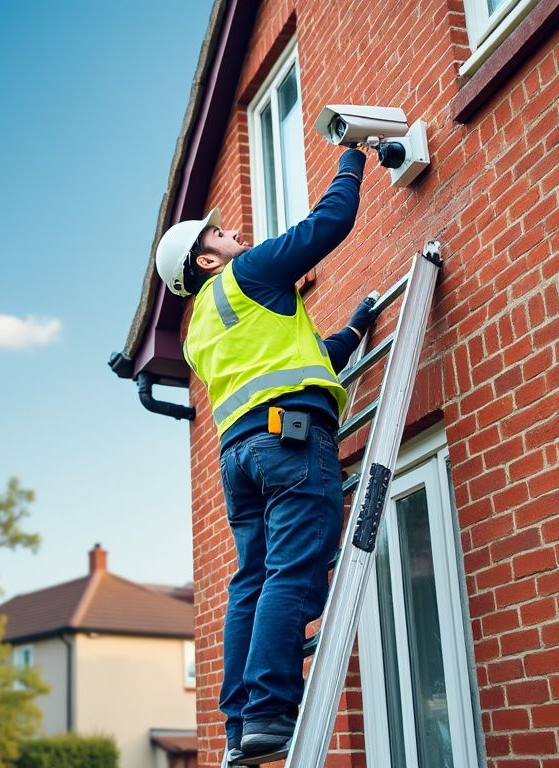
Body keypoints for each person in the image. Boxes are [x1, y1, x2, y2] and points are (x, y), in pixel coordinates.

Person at [154, 147, 378, 762]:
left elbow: (288, 364)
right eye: (221, 233)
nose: (235, 233)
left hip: (241, 457)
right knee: (291, 571)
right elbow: (327, 226)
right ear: (206, 258)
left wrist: (352, 331)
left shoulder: (202, 325)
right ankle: (271, 712)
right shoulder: (247, 274)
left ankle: (238, 728)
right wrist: (351, 160)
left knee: (250, 581)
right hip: (290, 437)